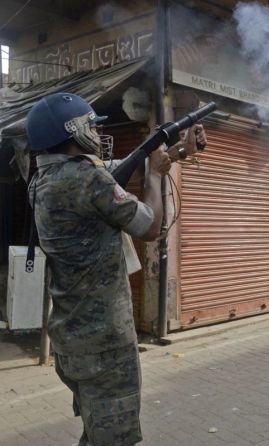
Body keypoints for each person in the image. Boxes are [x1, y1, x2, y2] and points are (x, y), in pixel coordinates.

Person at [25, 92, 206, 445]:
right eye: (90, 125)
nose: (95, 131)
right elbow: (150, 226)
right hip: (105, 343)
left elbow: (120, 168)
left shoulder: (43, 180)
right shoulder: (88, 181)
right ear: (72, 131)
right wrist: (155, 174)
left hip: (73, 338)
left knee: (97, 433)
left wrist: (176, 152)